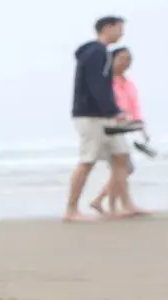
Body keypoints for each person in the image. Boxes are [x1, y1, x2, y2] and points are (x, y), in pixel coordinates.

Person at [64, 16, 133, 222]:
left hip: (104, 114)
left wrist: (113, 110)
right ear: (108, 28)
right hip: (90, 115)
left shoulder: (100, 53)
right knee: (87, 160)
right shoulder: (96, 52)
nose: (122, 33)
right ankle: (71, 209)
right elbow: (97, 86)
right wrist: (112, 110)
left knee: (122, 157)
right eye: (119, 28)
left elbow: (104, 87)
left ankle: (122, 205)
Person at [89, 47, 151, 217]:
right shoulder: (105, 82)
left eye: (129, 59)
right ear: (112, 60)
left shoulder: (128, 83)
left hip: (123, 128)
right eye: (122, 58)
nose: (126, 62)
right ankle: (117, 205)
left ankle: (105, 202)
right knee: (122, 167)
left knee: (123, 168)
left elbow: (134, 106)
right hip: (106, 128)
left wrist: (140, 125)